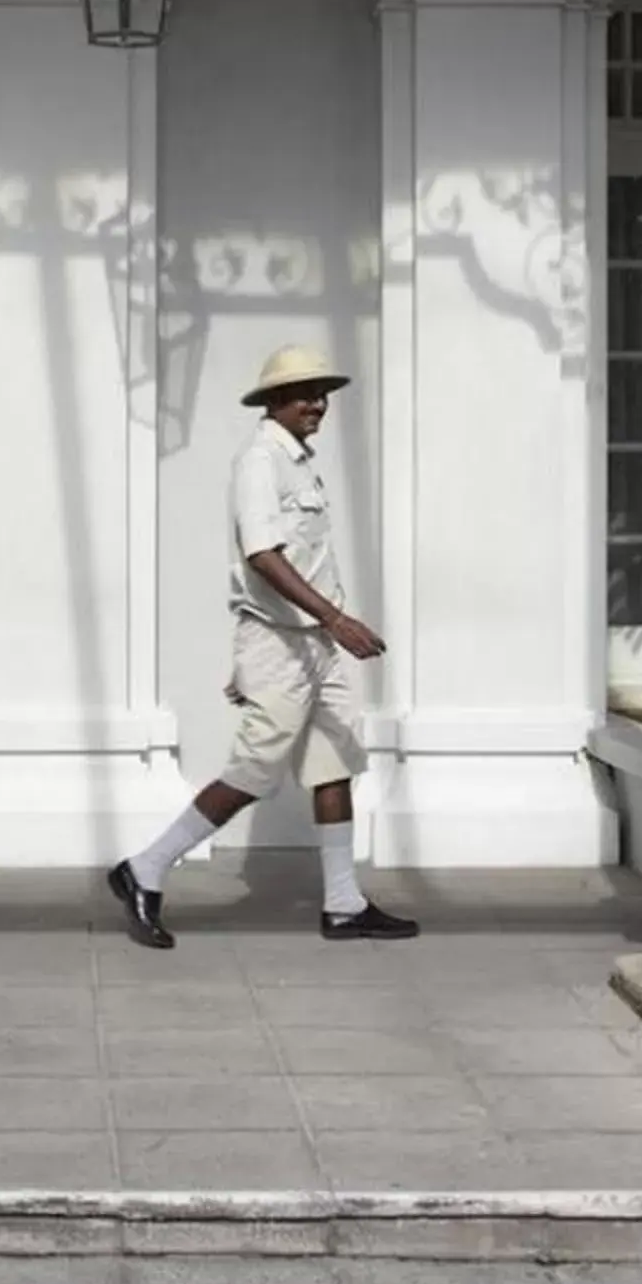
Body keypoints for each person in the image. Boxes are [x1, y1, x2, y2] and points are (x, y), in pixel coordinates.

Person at [105, 345, 417, 949]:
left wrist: (328, 628)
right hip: (285, 642)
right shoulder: (260, 462)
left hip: (315, 643)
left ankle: (344, 903)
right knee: (253, 771)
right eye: (304, 394)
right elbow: (262, 556)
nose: (317, 404)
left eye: (322, 393)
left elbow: (302, 558)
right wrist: (332, 620)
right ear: (274, 400)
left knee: (335, 764)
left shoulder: (299, 462)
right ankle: (144, 868)